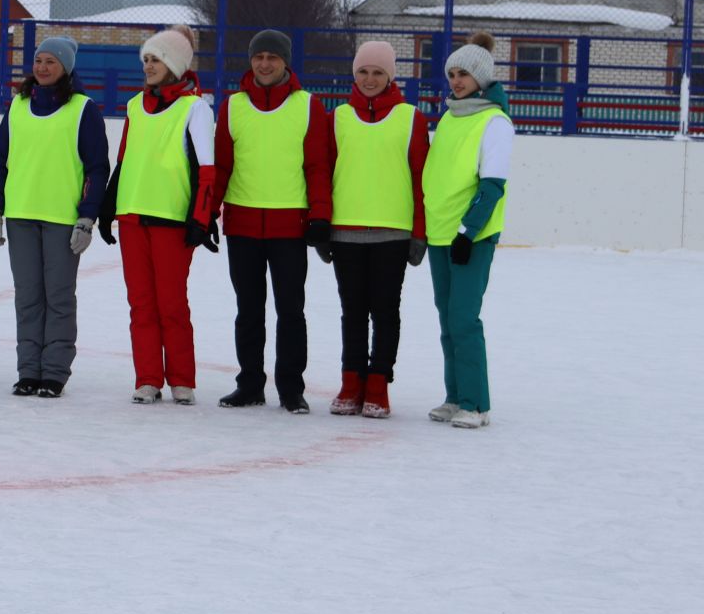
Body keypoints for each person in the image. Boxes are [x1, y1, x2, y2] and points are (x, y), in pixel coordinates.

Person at [213, 29, 332, 413]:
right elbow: (222, 167)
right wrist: (205, 215)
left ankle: (290, 388)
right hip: (242, 223)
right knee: (248, 309)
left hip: (289, 226)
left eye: (273, 57)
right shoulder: (233, 106)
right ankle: (249, 384)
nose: (265, 64)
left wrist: (320, 216)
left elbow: (317, 166)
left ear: (286, 62)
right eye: (258, 56)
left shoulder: (307, 105)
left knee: (291, 311)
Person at [98, 28, 217, 405]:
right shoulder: (135, 106)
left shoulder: (194, 108)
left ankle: (182, 379)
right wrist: (108, 207)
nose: (148, 66)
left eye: (156, 59)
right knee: (141, 304)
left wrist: (201, 218)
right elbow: (125, 160)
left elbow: (207, 171)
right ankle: (148, 378)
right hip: (133, 217)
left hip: (172, 221)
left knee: (171, 304)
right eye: (146, 59)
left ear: (175, 65)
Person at [0, 36, 107, 398]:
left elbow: (97, 168)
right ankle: (28, 371)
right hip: (21, 214)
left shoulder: (84, 110)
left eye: (51, 62)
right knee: (27, 296)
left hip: (61, 219)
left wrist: (87, 218)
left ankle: (53, 372)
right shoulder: (18, 107)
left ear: (66, 68)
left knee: (58, 296)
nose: (42, 68)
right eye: (38, 61)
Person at [322, 40, 431, 419]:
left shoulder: (411, 118)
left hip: (393, 233)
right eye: (363, 72)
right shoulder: (336, 118)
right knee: (352, 310)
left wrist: (420, 231)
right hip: (346, 231)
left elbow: (421, 180)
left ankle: (378, 384)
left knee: (385, 311)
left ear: (390, 76)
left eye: (378, 72)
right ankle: (351, 381)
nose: (369, 79)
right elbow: (322, 174)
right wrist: (321, 225)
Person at [425, 32, 512, 430]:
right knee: (447, 319)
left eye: (464, 74)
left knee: (464, 318)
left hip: (469, 237)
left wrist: (468, 231)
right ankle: (455, 395)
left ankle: (476, 403)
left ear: (482, 77)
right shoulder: (449, 115)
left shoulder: (494, 121)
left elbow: (492, 185)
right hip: (440, 233)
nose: (456, 81)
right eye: (452, 73)